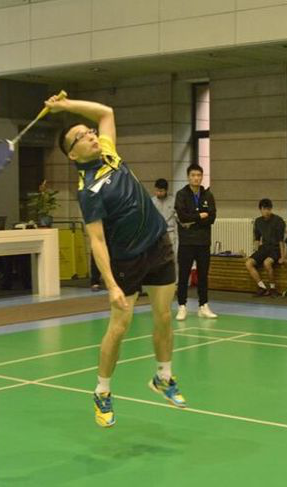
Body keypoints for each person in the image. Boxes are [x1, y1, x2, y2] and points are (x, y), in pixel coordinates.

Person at [49, 93, 186, 428]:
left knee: (164, 316)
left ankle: (163, 377)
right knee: (119, 327)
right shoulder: (88, 191)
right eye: (81, 136)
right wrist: (110, 284)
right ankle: (102, 391)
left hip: (158, 243)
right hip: (127, 260)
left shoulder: (109, 153)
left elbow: (106, 113)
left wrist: (66, 107)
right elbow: (96, 241)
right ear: (72, 154)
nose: (91, 136)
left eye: (89, 131)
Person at [174, 164, 217, 320]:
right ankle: (182, 306)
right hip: (187, 242)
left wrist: (193, 219)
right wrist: (199, 216)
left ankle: (203, 305)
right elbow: (182, 216)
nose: (196, 178)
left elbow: (212, 217)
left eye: (199, 175)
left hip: (203, 241)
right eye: (193, 175)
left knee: (203, 275)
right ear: (188, 177)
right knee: (184, 274)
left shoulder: (208, 195)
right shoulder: (181, 195)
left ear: (202, 177)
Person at [245, 198, 287, 297]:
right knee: (248, 263)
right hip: (264, 248)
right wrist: (254, 252)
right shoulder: (258, 221)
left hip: (275, 249)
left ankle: (273, 288)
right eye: (264, 209)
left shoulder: (278, 221)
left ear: (271, 209)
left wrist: (283, 257)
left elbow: (281, 240)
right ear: (260, 209)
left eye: (269, 209)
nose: (267, 211)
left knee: (267, 263)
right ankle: (262, 287)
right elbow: (257, 239)